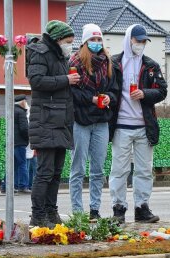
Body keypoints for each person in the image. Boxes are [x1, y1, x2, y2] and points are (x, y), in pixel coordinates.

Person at [109, 24, 167, 223]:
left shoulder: (151, 65)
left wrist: (145, 93)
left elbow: (162, 90)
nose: (140, 44)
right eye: (137, 40)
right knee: (119, 169)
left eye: (143, 41)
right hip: (121, 126)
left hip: (144, 126)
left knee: (144, 170)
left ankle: (142, 208)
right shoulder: (114, 63)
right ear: (129, 39)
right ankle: (118, 208)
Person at [27, 20, 80, 228]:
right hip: (46, 120)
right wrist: (66, 80)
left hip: (60, 121)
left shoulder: (61, 56)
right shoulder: (40, 53)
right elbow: (37, 81)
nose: (70, 46)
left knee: (56, 173)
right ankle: (37, 215)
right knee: (45, 172)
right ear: (57, 39)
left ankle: (51, 211)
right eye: (68, 41)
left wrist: (70, 80)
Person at [68, 24, 118, 219]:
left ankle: (95, 210)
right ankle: (78, 212)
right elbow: (72, 91)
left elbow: (114, 89)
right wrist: (90, 99)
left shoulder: (108, 63)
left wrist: (108, 98)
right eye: (92, 40)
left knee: (98, 169)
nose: (96, 43)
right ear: (85, 42)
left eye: (99, 40)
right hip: (81, 120)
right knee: (78, 168)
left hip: (101, 120)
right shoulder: (75, 62)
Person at [13, 94, 31, 194]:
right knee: (22, 164)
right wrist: (28, 138)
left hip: (12, 143)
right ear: (23, 102)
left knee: (14, 166)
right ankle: (23, 186)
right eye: (26, 101)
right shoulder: (21, 112)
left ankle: (8, 186)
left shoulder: (11, 111)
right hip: (20, 143)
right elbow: (24, 128)